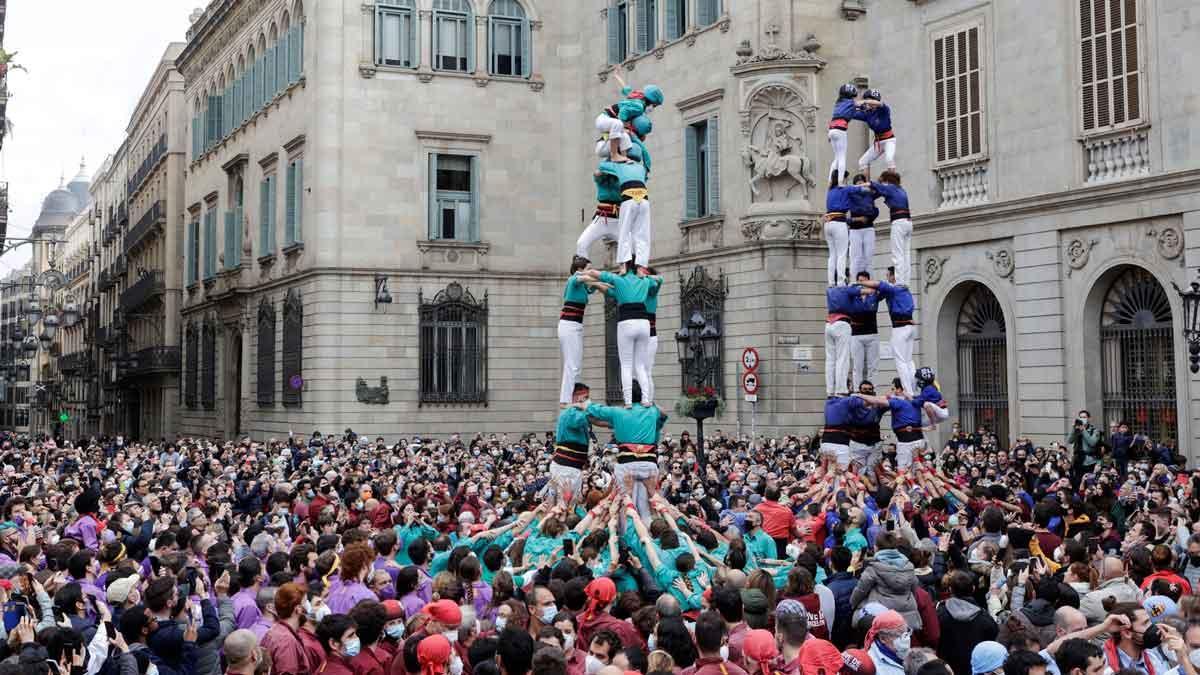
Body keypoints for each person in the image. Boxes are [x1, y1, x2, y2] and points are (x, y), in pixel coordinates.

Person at [582, 382, 667, 521]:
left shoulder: (618, 411)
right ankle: (650, 534)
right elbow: (664, 415)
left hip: (626, 466)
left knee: (625, 507)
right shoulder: (653, 411)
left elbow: (591, 410)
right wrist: (650, 401)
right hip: (649, 465)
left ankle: (626, 536)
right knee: (649, 509)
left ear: (625, 395)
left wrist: (583, 402)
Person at [584, 263, 662, 407]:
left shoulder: (644, 287)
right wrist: (595, 284)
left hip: (637, 329)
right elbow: (611, 291)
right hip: (645, 328)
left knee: (638, 368)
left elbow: (611, 288)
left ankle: (636, 400)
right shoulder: (645, 284)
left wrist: (588, 277)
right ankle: (645, 400)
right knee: (639, 369)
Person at [859, 270, 917, 395]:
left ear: (893, 276)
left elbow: (878, 285)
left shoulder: (893, 288)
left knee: (900, 361)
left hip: (899, 328)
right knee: (908, 361)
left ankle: (908, 391)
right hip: (910, 327)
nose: (886, 278)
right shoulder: (906, 290)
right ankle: (913, 388)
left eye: (888, 275)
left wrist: (861, 283)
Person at [558, 259, 603, 407]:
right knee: (571, 364)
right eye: (589, 268)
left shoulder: (583, 286)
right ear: (579, 269)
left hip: (575, 326)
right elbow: (583, 278)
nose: (591, 270)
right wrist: (601, 276)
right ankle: (565, 400)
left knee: (576, 364)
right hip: (569, 325)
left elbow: (597, 285)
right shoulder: (574, 279)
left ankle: (574, 396)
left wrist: (615, 283)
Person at [936, 570, 999, 675]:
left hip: (948, 667)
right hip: (974, 667)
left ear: (950, 589)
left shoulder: (940, 614)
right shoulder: (984, 617)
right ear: (973, 588)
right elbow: (994, 635)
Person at [857, 379, 928, 471]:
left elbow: (877, 400)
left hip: (907, 442)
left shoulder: (898, 402)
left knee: (904, 472)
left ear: (899, 390)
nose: (891, 392)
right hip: (918, 439)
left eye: (893, 389)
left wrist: (859, 395)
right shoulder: (915, 400)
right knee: (918, 472)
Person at [549, 383, 594, 509]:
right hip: (565, 467)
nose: (588, 401)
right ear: (576, 397)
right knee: (563, 505)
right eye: (586, 397)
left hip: (573, 467)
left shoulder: (577, 411)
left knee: (570, 504)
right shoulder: (570, 412)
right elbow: (578, 421)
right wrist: (586, 408)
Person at [869, 171, 911, 287]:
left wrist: (877, 181)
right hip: (908, 222)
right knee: (906, 254)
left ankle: (899, 281)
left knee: (897, 254)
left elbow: (873, 185)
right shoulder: (901, 190)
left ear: (886, 180)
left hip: (899, 222)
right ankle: (905, 281)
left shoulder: (890, 188)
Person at [825, 284, 862, 397]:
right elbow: (866, 291)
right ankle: (840, 389)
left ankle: (830, 390)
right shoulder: (847, 288)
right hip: (842, 323)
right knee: (842, 358)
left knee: (830, 360)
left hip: (828, 324)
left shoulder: (830, 289)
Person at [850, 272, 881, 391]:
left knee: (873, 366)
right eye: (859, 281)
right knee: (857, 366)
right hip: (856, 335)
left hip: (872, 334)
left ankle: (873, 390)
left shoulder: (874, 295)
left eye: (864, 281)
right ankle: (858, 391)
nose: (861, 284)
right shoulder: (853, 295)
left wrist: (873, 287)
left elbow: (882, 289)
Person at [854, 90, 896, 180]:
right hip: (879, 142)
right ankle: (867, 185)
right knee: (863, 161)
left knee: (889, 159)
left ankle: (894, 184)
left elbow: (879, 103)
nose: (868, 103)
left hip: (889, 140)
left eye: (869, 100)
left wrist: (864, 101)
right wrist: (850, 106)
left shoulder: (884, 110)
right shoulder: (868, 114)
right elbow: (852, 114)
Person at [848, 175, 880, 280]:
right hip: (855, 229)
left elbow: (879, 193)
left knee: (869, 257)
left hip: (868, 228)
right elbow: (845, 218)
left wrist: (875, 183)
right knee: (856, 258)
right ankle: (854, 281)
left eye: (862, 182)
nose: (860, 185)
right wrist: (857, 219)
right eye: (858, 183)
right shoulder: (850, 195)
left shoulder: (869, 194)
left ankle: (870, 281)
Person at [828, 83, 861, 187]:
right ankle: (840, 182)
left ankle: (830, 181)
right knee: (842, 157)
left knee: (836, 158)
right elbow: (860, 105)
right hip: (840, 129)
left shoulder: (838, 103)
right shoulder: (851, 102)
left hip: (831, 130)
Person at [824, 185, 856, 287]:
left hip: (828, 223)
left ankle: (831, 282)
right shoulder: (844, 189)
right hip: (839, 222)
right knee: (841, 254)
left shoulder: (830, 191)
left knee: (832, 255)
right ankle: (841, 281)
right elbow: (859, 189)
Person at [1067, 412, 1100, 487]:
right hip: (1078, 460)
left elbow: (1092, 442)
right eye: (1081, 417)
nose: (1083, 419)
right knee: (1077, 481)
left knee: (1089, 482)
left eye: (1084, 417)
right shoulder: (1077, 429)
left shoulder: (1094, 430)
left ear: (1089, 418)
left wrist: (1083, 430)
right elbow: (1070, 441)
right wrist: (1074, 429)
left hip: (1090, 461)